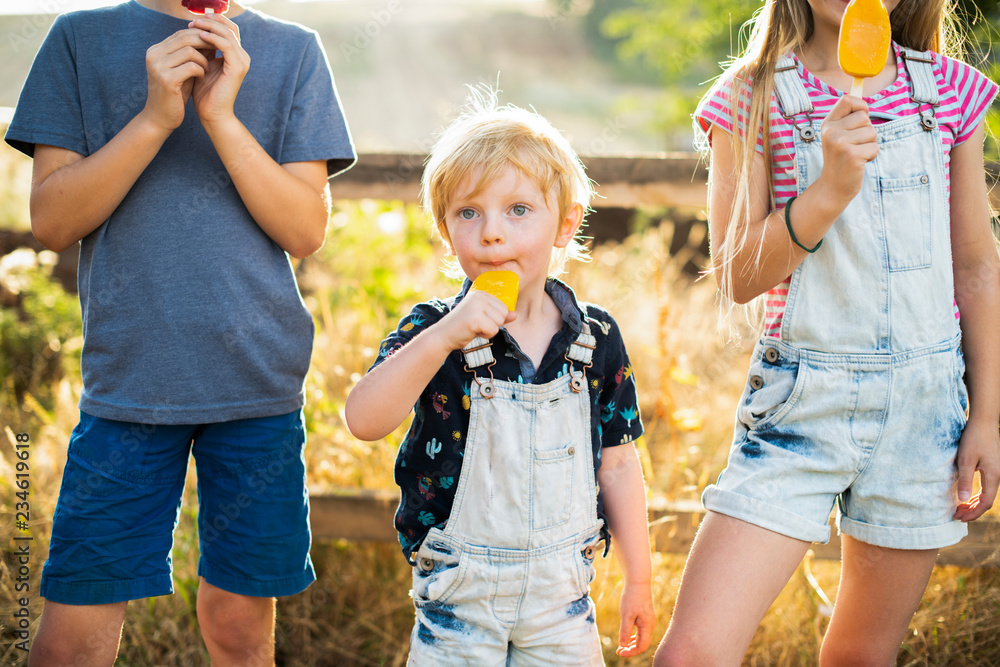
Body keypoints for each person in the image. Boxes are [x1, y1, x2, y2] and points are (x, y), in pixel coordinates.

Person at [5, 0, 355, 663]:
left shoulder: (293, 50)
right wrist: (156, 118)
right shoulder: (79, 40)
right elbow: (52, 221)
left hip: (257, 388)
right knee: (72, 638)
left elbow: (306, 229)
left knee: (238, 627)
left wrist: (219, 117)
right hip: (129, 385)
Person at [653, 0, 1000, 664]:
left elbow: (977, 265)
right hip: (801, 407)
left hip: (924, 413)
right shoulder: (751, 98)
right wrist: (828, 191)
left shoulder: (949, 92)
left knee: (862, 655)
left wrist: (985, 416)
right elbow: (736, 274)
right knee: (692, 651)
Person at [345, 89, 655, 665]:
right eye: (469, 213)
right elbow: (364, 419)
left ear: (565, 226)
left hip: (561, 604)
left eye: (518, 210)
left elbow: (618, 463)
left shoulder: (595, 339)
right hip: (459, 601)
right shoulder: (432, 327)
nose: (492, 233)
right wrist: (444, 337)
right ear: (446, 231)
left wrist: (639, 577)